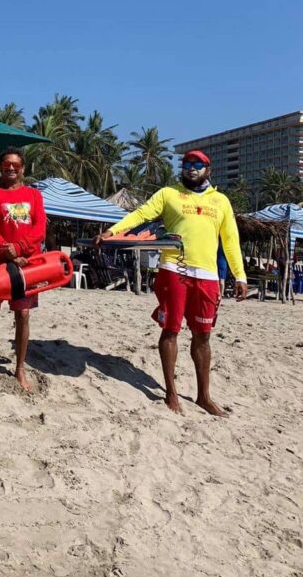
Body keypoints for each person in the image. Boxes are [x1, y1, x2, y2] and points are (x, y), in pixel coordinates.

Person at [96, 149, 247, 416]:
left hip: (207, 276)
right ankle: (171, 392)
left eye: (197, 164)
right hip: (174, 269)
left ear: (208, 169)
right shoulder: (169, 194)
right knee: (171, 330)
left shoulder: (221, 201)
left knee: (203, 335)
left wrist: (240, 276)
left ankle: (204, 396)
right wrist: (114, 230)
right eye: (187, 163)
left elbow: (231, 240)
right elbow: (141, 214)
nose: (191, 168)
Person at [0, 148, 47, 392]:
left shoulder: (34, 195)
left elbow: (39, 229)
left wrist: (18, 248)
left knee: (23, 315)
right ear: (1, 167)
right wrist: (6, 251)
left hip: (27, 264)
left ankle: (19, 367)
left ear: (23, 168)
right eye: (7, 164)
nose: (11, 168)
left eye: (16, 165)